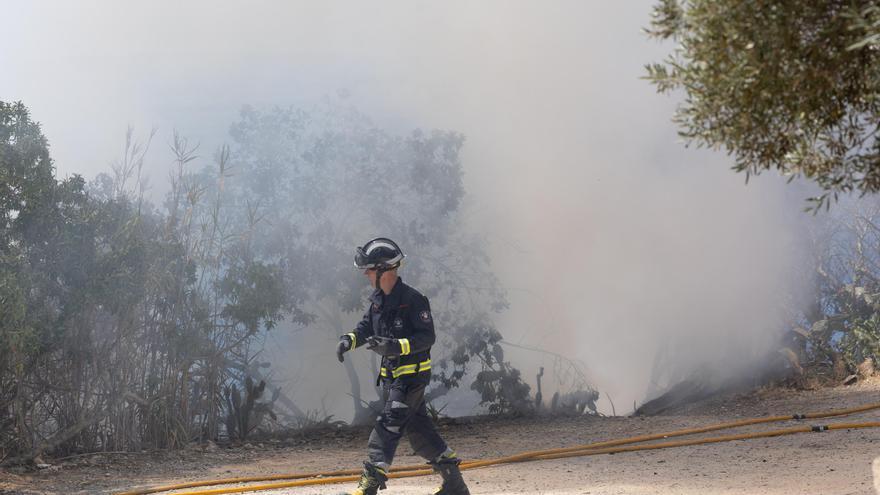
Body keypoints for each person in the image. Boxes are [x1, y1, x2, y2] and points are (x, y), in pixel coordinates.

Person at [336, 237, 470, 495]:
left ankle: (369, 486)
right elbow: (365, 328)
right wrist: (348, 341)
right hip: (391, 378)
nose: (365, 273)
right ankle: (455, 485)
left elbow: (426, 337)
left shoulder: (414, 300)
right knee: (421, 434)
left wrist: (397, 346)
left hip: (410, 379)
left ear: (385, 271)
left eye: (370, 269)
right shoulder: (378, 300)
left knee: (389, 423)